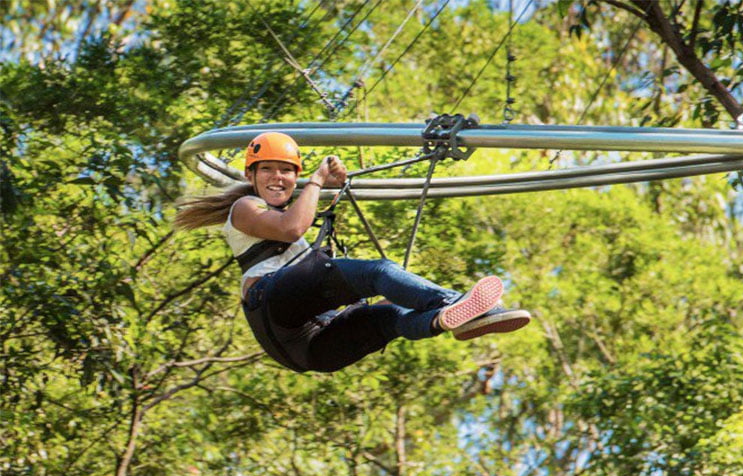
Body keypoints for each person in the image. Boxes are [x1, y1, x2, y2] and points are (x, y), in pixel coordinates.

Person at [175, 132, 531, 373]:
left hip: (315, 352)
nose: (278, 178)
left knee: (391, 317)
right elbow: (291, 229)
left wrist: (323, 185)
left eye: (286, 171)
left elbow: (294, 227)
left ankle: (442, 319)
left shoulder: (280, 209)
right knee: (376, 272)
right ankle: (459, 302)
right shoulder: (245, 207)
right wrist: (316, 180)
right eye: (267, 169)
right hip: (275, 307)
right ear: (250, 175)